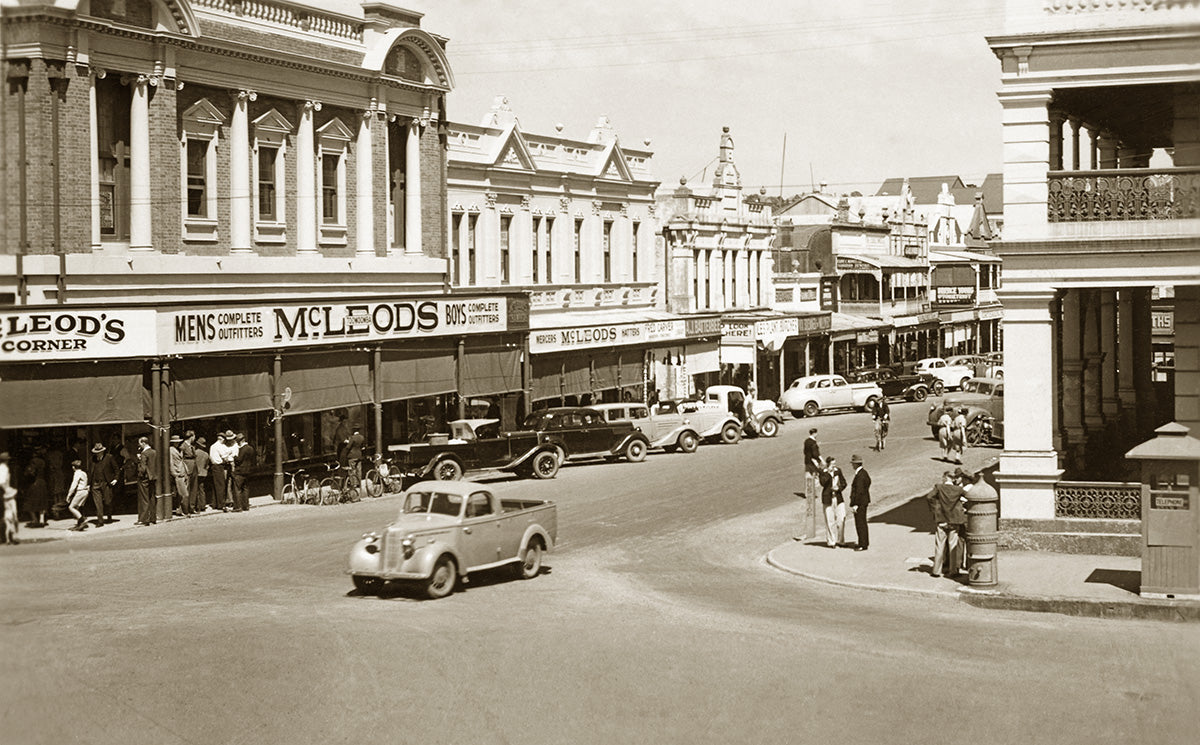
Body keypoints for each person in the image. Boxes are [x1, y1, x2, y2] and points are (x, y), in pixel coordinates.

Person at [923, 471, 969, 577]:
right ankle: (953, 571)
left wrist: (935, 509)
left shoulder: (939, 487)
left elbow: (929, 497)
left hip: (941, 519)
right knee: (953, 545)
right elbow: (970, 496)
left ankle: (936, 571)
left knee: (939, 545)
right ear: (953, 479)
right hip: (954, 520)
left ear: (945, 478)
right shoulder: (958, 489)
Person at [797, 428, 822, 541]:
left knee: (807, 477)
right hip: (813, 462)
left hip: (806, 461)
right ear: (815, 433)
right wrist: (820, 460)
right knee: (816, 477)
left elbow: (804, 452)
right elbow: (815, 454)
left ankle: (808, 493)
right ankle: (813, 492)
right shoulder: (814, 443)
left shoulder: (806, 441)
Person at [87, 443, 119, 527]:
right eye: (96, 452)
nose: (98, 454)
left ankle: (109, 515)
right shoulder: (92, 459)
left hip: (106, 483)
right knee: (98, 503)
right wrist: (88, 483)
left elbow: (116, 469)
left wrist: (115, 479)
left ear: (103, 452)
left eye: (99, 452)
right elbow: (90, 471)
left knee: (108, 501)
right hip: (95, 483)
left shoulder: (109, 458)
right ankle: (100, 521)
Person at [820, 457, 847, 548]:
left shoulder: (838, 471)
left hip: (838, 498)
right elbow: (823, 483)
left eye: (835, 463)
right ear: (828, 464)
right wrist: (828, 473)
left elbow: (844, 483)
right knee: (829, 521)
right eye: (832, 464)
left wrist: (839, 488)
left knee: (841, 519)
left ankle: (841, 540)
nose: (834, 466)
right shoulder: (823, 472)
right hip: (828, 499)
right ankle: (831, 541)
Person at [848, 454, 871, 551]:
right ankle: (864, 542)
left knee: (860, 523)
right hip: (864, 501)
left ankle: (862, 544)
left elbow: (859, 491)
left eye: (853, 464)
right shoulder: (864, 473)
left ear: (856, 464)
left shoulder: (859, 475)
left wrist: (855, 504)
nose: (852, 465)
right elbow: (869, 482)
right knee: (863, 523)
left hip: (860, 503)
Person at [209, 430, 236, 511]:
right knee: (221, 486)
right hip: (219, 466)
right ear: (221, 439)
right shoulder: (219, 446)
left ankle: (215, 503)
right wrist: (230, 455)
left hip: (214, 466)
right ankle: (221, 505)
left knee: (215, 485)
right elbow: (224, 456)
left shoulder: (212, 446)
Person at [23, 446, 49, 528]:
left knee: (30, 503)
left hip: (35, 484)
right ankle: (41, 520)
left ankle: (35, 520)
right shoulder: (43, 461)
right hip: (43, 482)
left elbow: (30, 473)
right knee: (42, 502)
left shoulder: (33, 461)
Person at [135, 436, 158, 526]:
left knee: (144, 499)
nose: (139, 445)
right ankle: (153, 517)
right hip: (153, 477)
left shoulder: (144, 453)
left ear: (143, 443)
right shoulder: (154, 452)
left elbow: (143, 468)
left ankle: (144, 519)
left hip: (144, 478)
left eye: (140, 443)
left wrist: (139, 461)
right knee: (152, 497)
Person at [64, 459, 90, 531]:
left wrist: (69, 495)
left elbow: (74, 485)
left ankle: (82, 520)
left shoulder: (77, 473)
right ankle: (79, 524)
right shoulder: (84, 473)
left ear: (73, 467)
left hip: (80, 491)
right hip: (85, 491)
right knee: (78, 508)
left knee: (71, 507)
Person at [232, 434, 255, 512]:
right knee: (245, 488)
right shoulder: (251, 448)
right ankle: (246, 506)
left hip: (240, 471)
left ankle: (238, 507)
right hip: (248, 471)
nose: (238, 443)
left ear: (241, 441)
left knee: (237, 489)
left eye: (238, 442)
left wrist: (234, 456)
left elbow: (239, 459)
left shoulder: (243, 449)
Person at [169, 435, 191, 517]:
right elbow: (170, 462)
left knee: (181, 493)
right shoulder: (171, 450)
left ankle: (180, 509)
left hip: (184, 472)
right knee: (184, 493)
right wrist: (174, 473)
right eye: (176, 442)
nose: (177, 444)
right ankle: (185, 511)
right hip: (178, 473)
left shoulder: (179, 449)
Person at [1, 452, 20, 544]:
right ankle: (12, 536)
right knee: (13, 515)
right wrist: (8, 490)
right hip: (8, 495)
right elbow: (2, 482)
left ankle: (9, 537)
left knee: (8, 515)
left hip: (6, 494)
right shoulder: (3, 468)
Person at [181, 430, 198, 513]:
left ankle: (192, 507)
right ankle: (185, 508)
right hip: (187, 468)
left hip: (194, 467)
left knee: (194, 488)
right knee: (187, 488)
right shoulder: (183, 446)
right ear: (191, 437)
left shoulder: (192, 446)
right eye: (194, 436)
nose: (194, 438)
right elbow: (181, 458)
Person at [194, 437, 211, 510]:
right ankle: (202, 505)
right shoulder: (206, 454)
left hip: (196, 472)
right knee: (202, 489)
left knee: (195, 489)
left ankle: (197, 505)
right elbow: (207, 465)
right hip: (203, 473)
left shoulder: (195, 452)